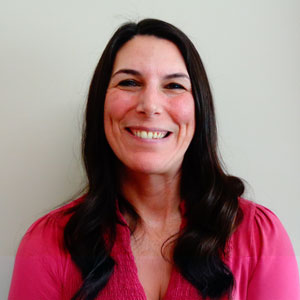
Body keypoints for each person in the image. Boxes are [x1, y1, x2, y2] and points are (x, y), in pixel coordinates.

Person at [9, 19, 300, 300]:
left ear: (200, 110)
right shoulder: (47, 244)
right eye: (129, 82)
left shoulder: (260, 238)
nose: (149, 105)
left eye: (174, 86)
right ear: (101, 104)